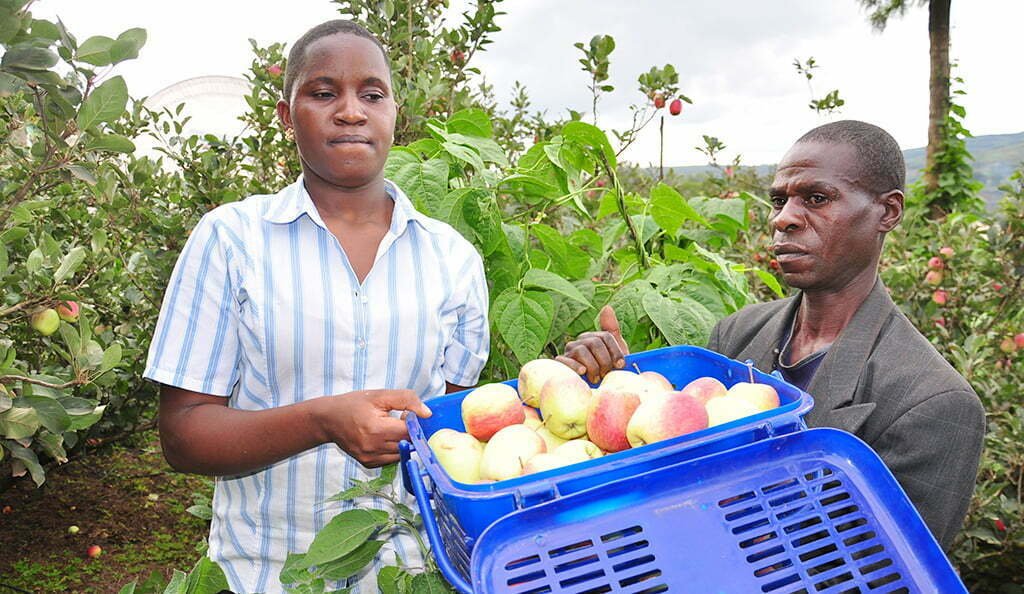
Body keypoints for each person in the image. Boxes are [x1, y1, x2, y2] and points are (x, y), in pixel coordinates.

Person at [143, 20, 489, 593]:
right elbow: (183, 436)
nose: (351, 111)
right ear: (286, 116)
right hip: (266, 571)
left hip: (414, 572)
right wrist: (321, 420)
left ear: (395, 113)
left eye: (372, 94)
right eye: (323, 92)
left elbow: (458, 434)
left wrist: (567, 385)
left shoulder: (452, 258)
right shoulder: (231, 240)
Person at [557, 120, 985, 551]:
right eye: (779, 200)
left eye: (816, 199)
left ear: (887, 212)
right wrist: (615, 390)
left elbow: (882, 570)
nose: (783, 218)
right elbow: (674, 481)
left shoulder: (932, 402)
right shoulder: (737, 335)